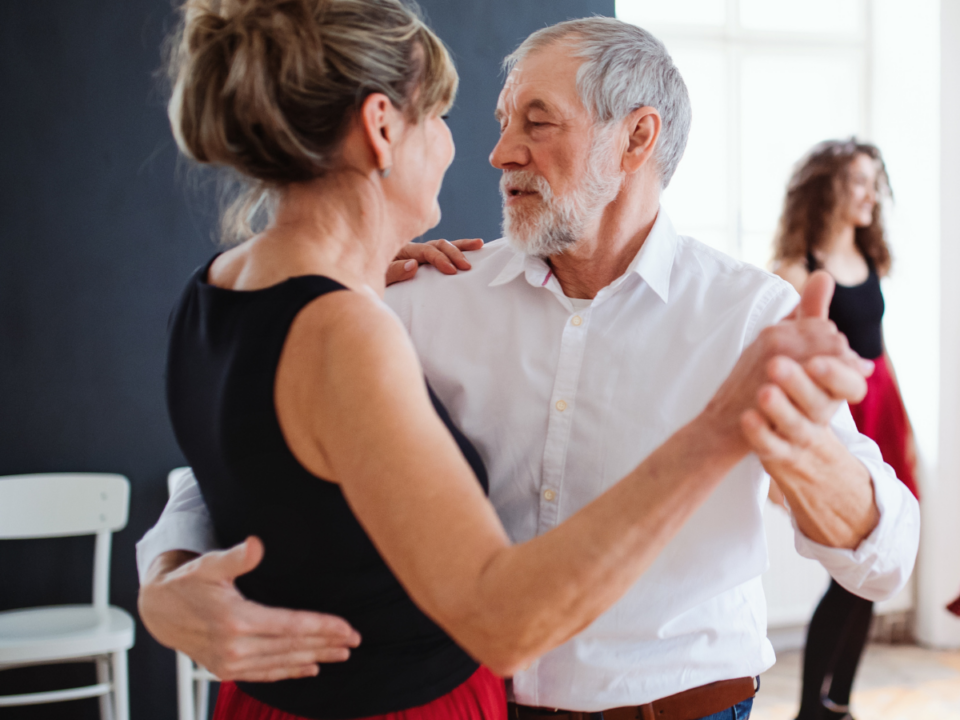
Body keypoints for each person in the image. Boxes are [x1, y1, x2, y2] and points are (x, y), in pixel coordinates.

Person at [140, 16, 921, 720]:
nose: (498, 151)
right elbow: (263, 457)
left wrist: (799, 445)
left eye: (537, 122)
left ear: (637, 139)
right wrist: (164, 576)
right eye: (499, 120)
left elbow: (886, 561)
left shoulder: (752, 317)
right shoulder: (418, 298)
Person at [770, 139, 919, 720]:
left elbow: (880, 348)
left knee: (879, 569)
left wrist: (903, 424)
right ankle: (814, 706)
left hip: (884, 408)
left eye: (874, 182)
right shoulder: (795, 271)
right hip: (843, 419)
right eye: (859, 181)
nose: (871, 195)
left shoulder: (868, 254)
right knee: (851, 572)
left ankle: (841, 704)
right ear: (828, 187)